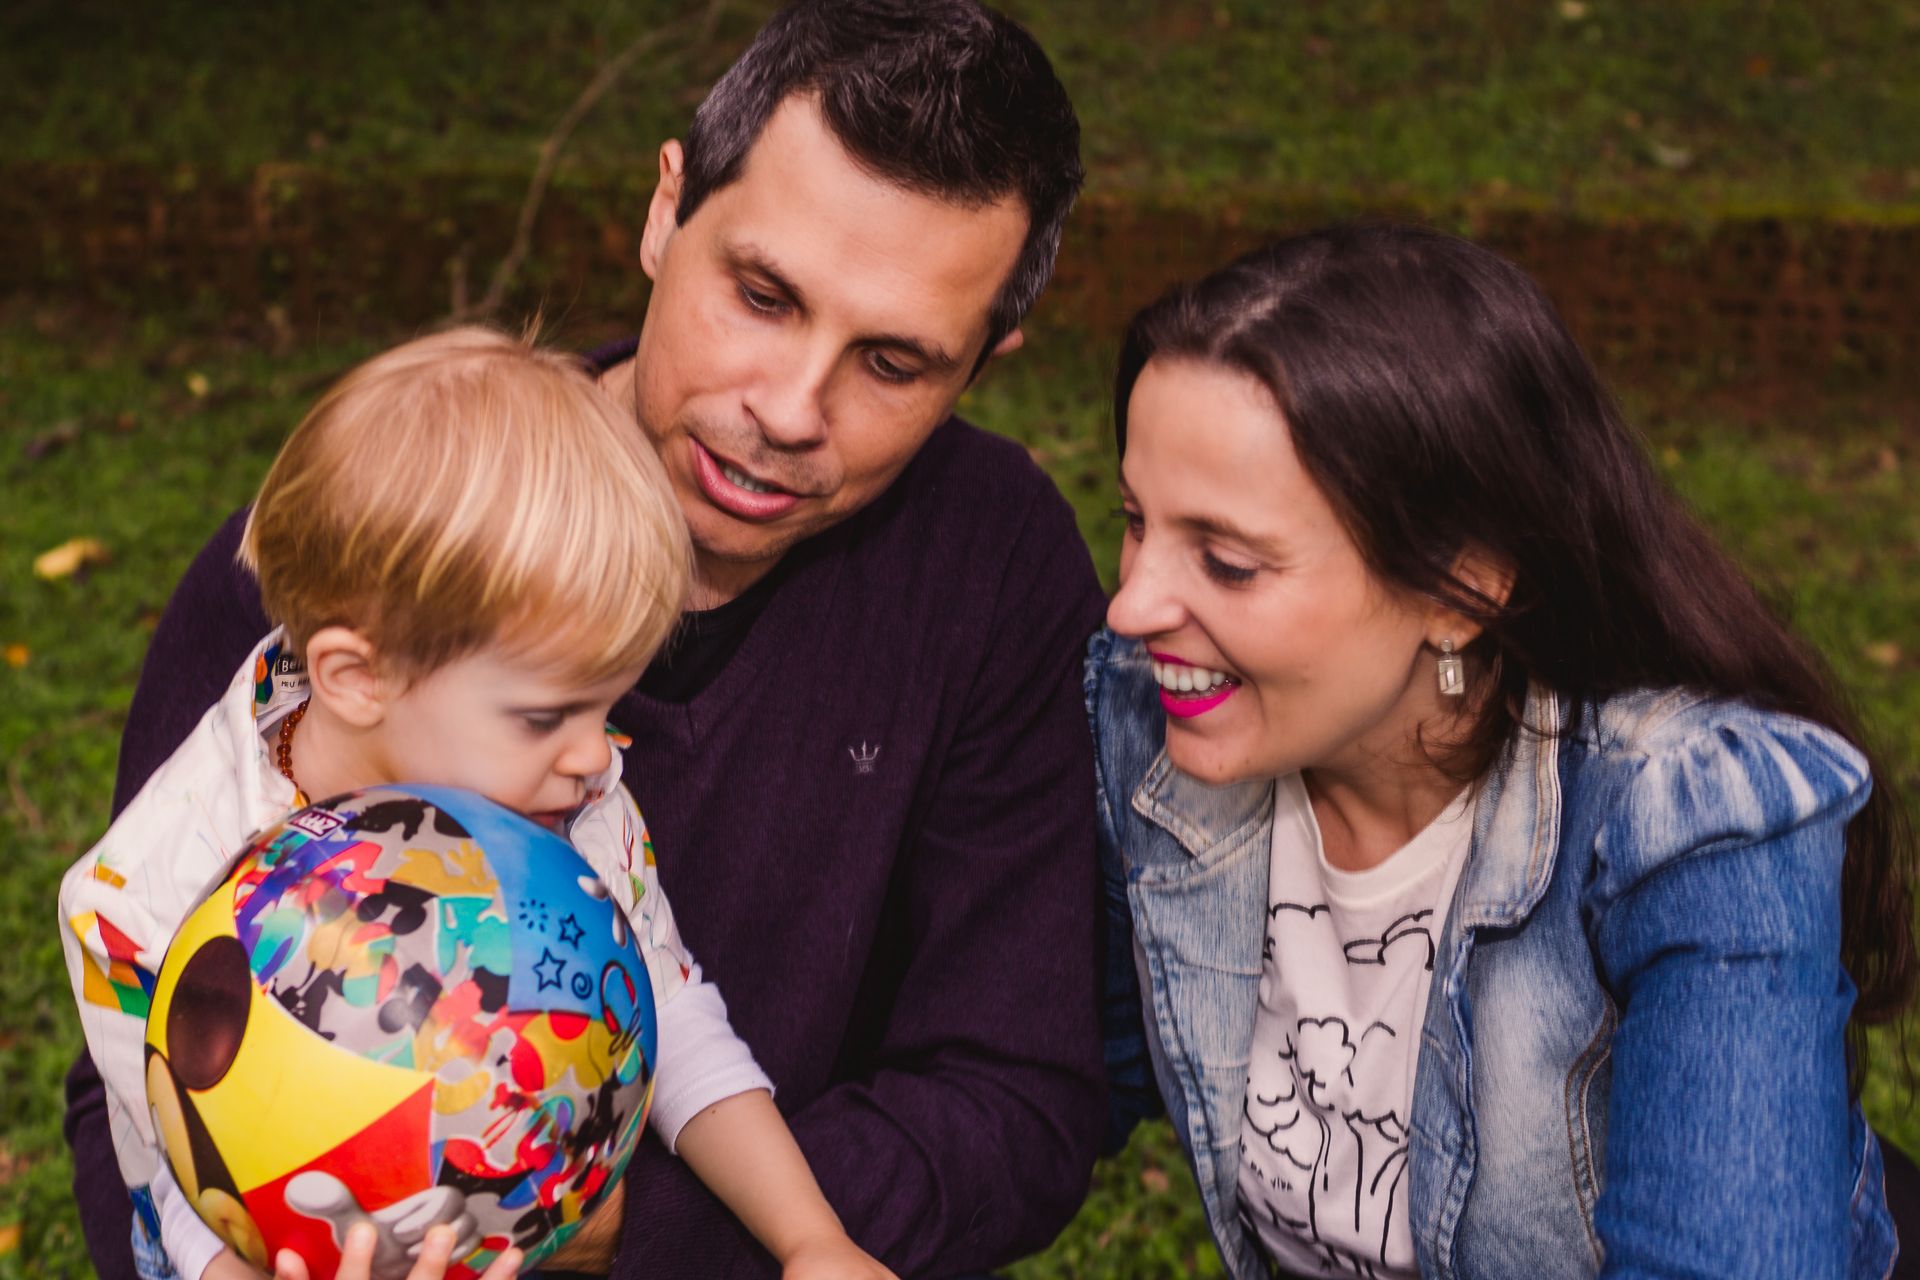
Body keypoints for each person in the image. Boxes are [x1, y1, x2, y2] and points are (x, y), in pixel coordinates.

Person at [66, 2, 1109, 1276]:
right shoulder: (348, 567)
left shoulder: (993, 567)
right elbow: (136, 1086)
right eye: (762, 295)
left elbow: (1014, 1099)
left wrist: (594, 1225)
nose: (790, 409)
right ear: (666, 209)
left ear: (987, 359)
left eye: (893, 362)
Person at [1088, 224, 1915, 1278]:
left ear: (1462, 590)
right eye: (1136, 521)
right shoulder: (1145, 732)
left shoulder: (1693, 821)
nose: (1131, 605)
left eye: (1228, 561)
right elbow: (1049, 1076)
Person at [58, 328, 896, 1280]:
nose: (597, 756)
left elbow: (661, 1009)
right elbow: (175, 1171)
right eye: (547, 716)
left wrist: (810, 1237)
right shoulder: (152, 891)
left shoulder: (564, 803)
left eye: (608, 704)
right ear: (357, 678)